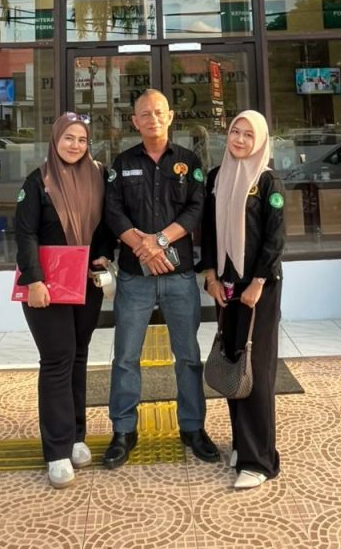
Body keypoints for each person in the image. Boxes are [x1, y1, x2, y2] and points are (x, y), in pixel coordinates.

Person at [103, 89, 219, 469]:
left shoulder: (189, 161)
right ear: (134, 121)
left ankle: (193, 428)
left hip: (179, 277)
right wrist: (143, 247)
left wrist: (160, 241)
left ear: (170, 117)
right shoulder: (122, 163)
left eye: (159, 112)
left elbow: (196, 208)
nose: (152, 119)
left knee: (188, 357)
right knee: (125, 357)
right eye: (144, 114)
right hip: (135, 277)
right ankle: (124, 431)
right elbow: (113, 212)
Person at [15, 112, 116, 489]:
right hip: (47, 286)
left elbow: (107, 224)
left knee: (77, 356)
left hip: (85, 282)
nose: (75, 145)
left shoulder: (99, 176)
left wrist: (103, 254)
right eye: (68, 138)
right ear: (55, 140)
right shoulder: (38, 181)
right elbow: (25, 234)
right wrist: (34, 280)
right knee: (57, 359)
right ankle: (56, 451)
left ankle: (75, 437)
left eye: (82, 139)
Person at [201, 110, 285, 490]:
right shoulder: (217, 178)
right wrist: (210, 277)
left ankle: (259, 460)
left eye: (249, 135)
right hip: (226, 285)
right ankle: (241, 443)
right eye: (235, 131)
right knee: (234, 362)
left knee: (258, 368)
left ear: (260, 141)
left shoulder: (267, 181)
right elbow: (207, 231)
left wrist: (259, 282)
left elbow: (275, 238)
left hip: (257, 290)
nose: (239, 139)